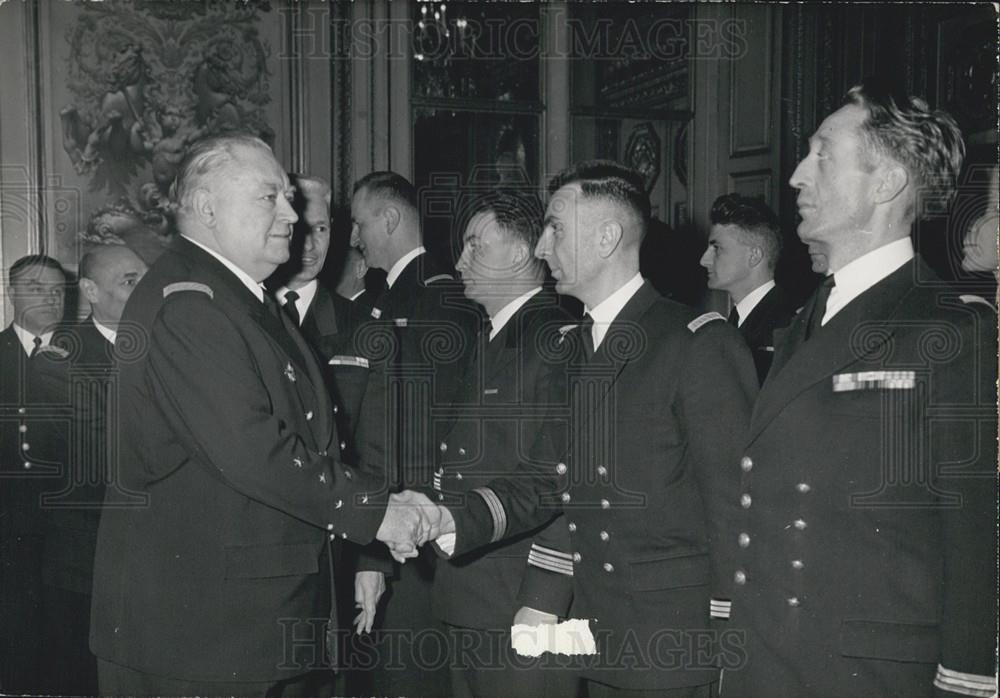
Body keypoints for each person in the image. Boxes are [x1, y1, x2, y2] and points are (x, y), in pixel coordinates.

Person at [87, 134, 444, 696]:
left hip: (244, 623)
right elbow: (253, 451)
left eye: (290, 199)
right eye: (269, 197)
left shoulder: (235, 296)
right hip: (203, 636)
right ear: (207, 209)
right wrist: (380, 513)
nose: (291, 215)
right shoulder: (192, 304)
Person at [423, 161, 759, 697]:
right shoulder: (577, 348)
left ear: (607, 238)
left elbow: (736, 504)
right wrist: (444, 519)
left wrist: (730, 644)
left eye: (556, 228)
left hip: (674, 644)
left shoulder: (694, 343)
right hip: (600, 638)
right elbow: (546, 480)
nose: (540, 247)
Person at [718, 80, 998, 697]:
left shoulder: (955, 329)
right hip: (765, 663)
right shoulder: (806, 319)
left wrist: (967, 683)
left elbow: (979, 539)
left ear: (886, 183)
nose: (795, 175)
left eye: (822, 154)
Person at [430, 190, 577, 697]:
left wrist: (546, 596)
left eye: (474, 245)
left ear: (519, 253)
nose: (459, 260)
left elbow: (562, 476)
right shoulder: (493, 335)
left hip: (521, 600)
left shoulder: (555, 339)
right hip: (472, 591)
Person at [348, 170, 478, 697]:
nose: (354, 238)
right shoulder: (410, 296)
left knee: (409, 673)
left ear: (390, 219)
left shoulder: (428, 302)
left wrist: (377, 550)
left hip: (412, 535)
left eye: (359, 224)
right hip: (411, 529)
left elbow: (413, 432)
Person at [37, 243, 146, 696]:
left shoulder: (168, 346)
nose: (145, 290)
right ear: (89, 291)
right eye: (129, 281)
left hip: (155, 559)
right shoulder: (60, 360)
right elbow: (100, 461)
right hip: (90, 558)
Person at [0, 255, 68, 693]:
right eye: (37, 287)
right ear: (9, 294)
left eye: (59, 290)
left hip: (71, 525)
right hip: (7, 525)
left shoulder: (91, 355)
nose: (51, 297)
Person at [700, 193, 797, 384]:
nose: (703, 260)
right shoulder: (734, 322)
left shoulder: (787, 326)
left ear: (754, 256)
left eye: (717, 248)